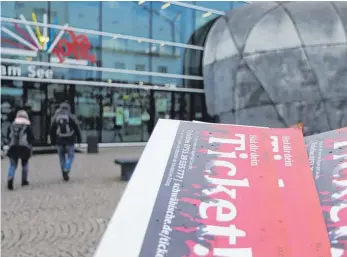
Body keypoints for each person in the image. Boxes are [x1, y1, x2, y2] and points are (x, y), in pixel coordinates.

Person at [49, 103, 82, 181]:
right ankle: (66, 169)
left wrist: (52, 141)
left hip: (59, 141)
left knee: (61, 157)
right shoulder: (71, 116)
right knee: (70, 156)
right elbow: (77, 128)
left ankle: (64, 171)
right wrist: (79, 139)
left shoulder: (55, 117)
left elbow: (51, 130)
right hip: (70, 141)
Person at [6, 110, 34, 190]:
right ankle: (24, 181)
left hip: (13, 147)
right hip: (24, 147)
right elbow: (31, 137)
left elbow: (8, 136)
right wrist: (30, 145)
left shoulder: (12, 125)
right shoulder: (27, 126)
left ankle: (10, 178)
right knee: (25, 164)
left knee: (12, 165)